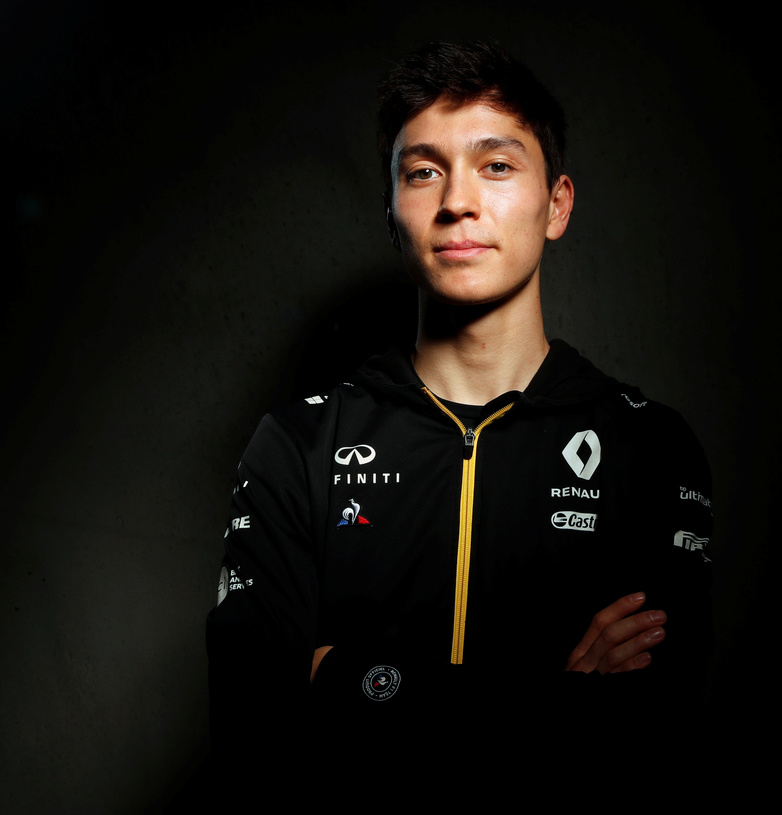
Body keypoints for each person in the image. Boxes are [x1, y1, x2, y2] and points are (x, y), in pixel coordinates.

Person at [206, 41, 713, 798]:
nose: (458, 202)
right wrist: (562, 694)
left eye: (496, 165)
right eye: (423, 172)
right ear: (390, 210)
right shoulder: (299, 446)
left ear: (557, 205)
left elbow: (653, 738)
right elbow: (255, 728)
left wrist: (344, 679)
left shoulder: (652, 449)